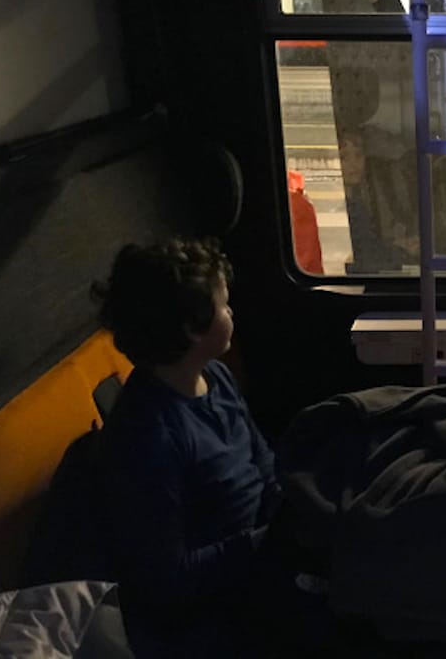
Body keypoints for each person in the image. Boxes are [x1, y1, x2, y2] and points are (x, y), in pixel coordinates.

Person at [91, 238, 285, 657]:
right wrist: (261, 544)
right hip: (218, 601)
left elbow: (260, 459)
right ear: (191, 328)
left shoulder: (215, 375)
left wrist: (290, 512)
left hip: (263, 553)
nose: (232, 313)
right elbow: (167, 580)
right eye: (223, 306)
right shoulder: (148, 437)